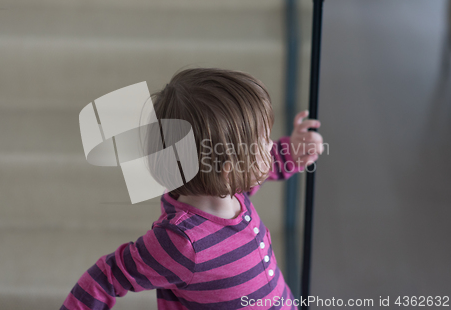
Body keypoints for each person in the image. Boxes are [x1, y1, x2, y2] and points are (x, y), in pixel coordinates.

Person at [60, 67, 324, 310]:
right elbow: (108, 276)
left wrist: (294, 152)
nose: (271, 145)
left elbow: (260, 168)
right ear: (227, 168)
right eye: (264, 141)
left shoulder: (229, 192)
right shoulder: (183, 242)